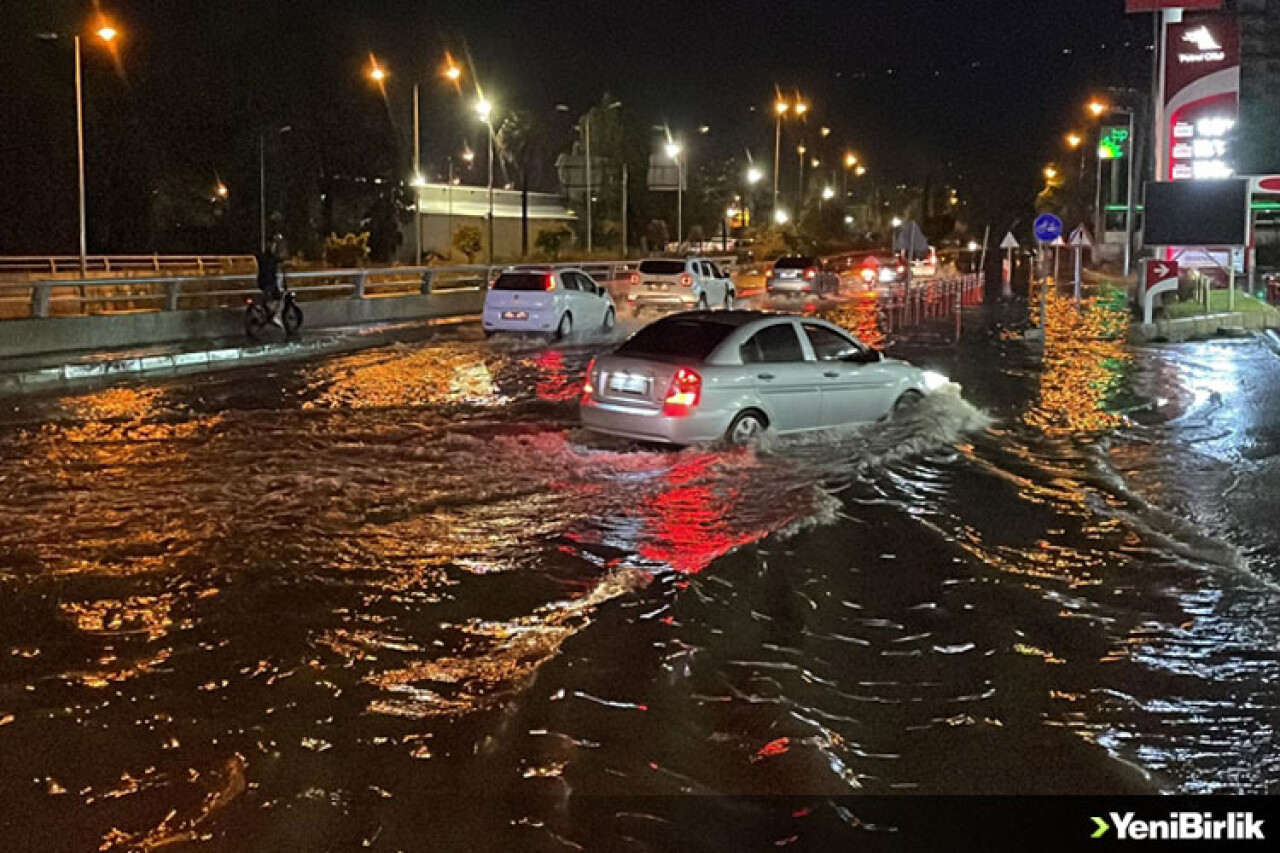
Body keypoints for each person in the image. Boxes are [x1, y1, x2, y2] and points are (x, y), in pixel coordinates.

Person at [255, 238, 286, 325]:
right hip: (268, 281)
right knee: (276, 295)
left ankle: (268, 311)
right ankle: (272, 315)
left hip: (266, 281)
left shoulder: (267, 257)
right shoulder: (270, 257)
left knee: (274, 296)